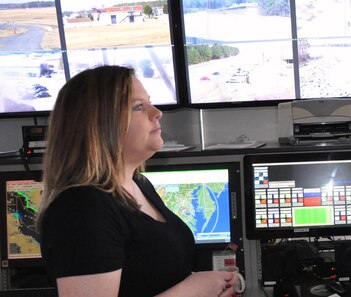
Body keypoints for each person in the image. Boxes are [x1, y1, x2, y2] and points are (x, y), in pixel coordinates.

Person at [37, 65, 241, 297]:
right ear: (100, 125)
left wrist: (208, 285)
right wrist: (192, 290)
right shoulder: (80, 209)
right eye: (138, 107)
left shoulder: (138, 184)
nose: (157, 112)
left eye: (150, 102)